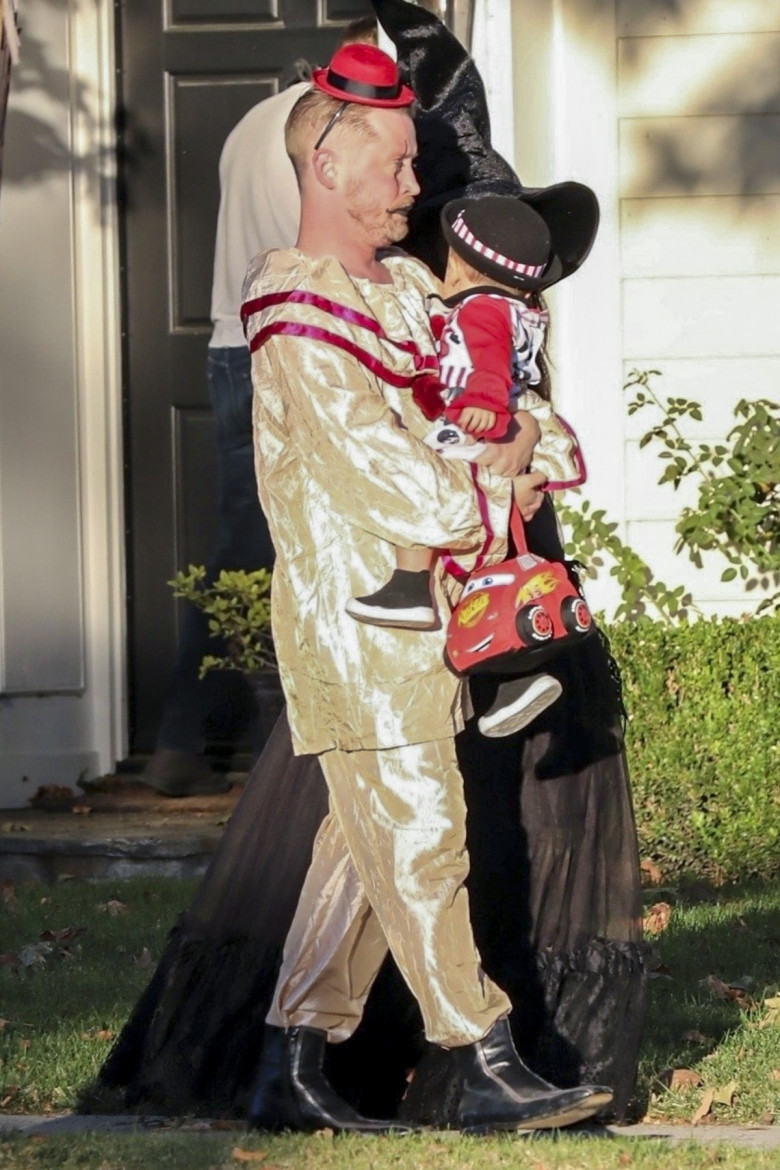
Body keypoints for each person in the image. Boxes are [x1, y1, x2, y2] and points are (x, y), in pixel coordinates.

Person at [98, 0, 650, 1129]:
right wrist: (497, 478)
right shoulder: (298, 314)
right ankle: (479, 1050)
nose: (414, 186)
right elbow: (380, 477)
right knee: (416, 829)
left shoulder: (403, 293)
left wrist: (527, 436)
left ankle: (291, 1061)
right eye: (395, 164)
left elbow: (501, 397)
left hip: (420, 604)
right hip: (358, 610)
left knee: (360, 842)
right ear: (330, 157)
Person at [140, 19, 377, 798]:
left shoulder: (252, 122)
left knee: (248, 538)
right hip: (291, 342)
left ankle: (191, 739)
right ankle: (219, 742)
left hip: (230, 341)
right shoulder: (336, 134)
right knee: (297, 543)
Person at [346, 191, 591, 739]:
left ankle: (409, 586)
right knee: (492, 565)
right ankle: (513, 675)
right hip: (507, 420)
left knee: (426, 479)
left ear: (455, 261)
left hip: (482, 420)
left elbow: (482, 354)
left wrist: (480, 401)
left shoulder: (480, 308)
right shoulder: (521, 308)